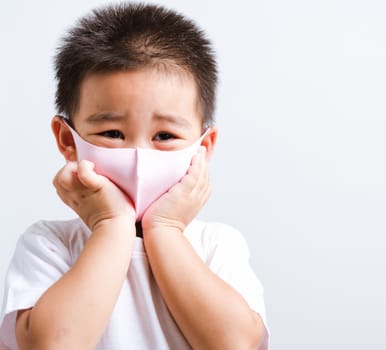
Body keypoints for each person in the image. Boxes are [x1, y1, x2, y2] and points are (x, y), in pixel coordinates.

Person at [0, 3, 268, 349]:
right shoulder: (51, 244)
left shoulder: (217, 245)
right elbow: (52, 344)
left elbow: (235, 344)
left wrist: (165, 228)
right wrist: (111, 224)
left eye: (165, 136)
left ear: (204, 147)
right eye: (112, 133)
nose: (139, 156)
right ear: (68, 140)